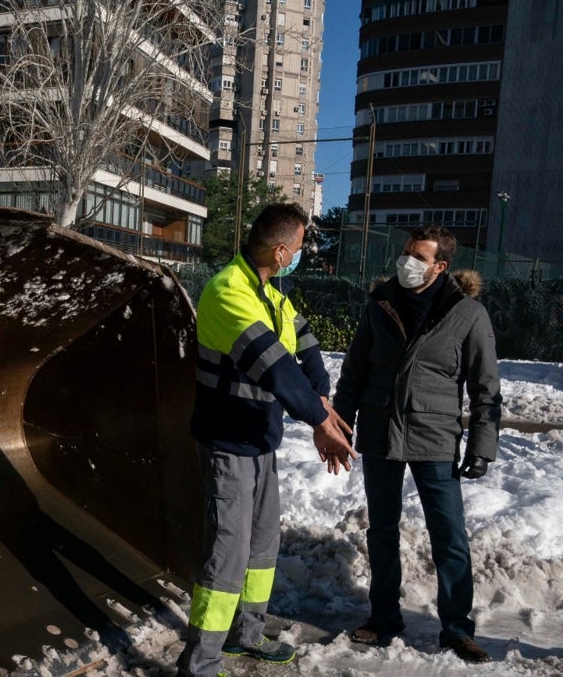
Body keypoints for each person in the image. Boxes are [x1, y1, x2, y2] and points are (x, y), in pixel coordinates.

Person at [177, 203, 356, 677]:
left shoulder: (270, 294)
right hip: (227, 441)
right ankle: (200, 664)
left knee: (260, 545)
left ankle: (245, 636)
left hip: (260, 439)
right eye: (298, 249)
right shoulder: (227, 293)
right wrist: (319, 420)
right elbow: (275, 366)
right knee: (227, 552)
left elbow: (306, 342)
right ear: (281, 251)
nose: (300, 256)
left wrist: (321, 401)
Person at [333, 225, 500, 663]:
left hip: (435, 436)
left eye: (418, 256)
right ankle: (384, 615)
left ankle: (457, 629)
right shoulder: (379, 305)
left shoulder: (468, 314)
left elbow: (485, 387)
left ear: (440, 266)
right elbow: (353, 373)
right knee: (382, 530)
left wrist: (482, 445)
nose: (407, 261)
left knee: (449, 535)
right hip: (380, 431)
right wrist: (339, 425)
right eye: (407, 252)